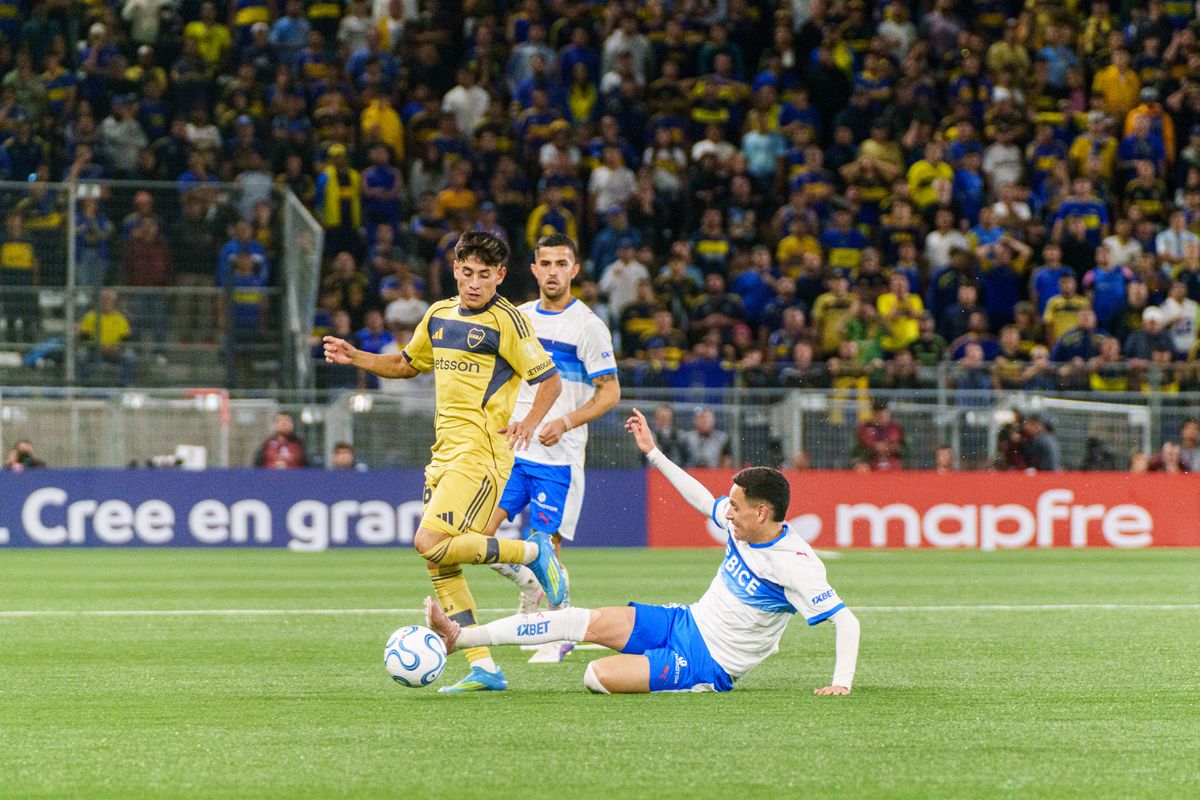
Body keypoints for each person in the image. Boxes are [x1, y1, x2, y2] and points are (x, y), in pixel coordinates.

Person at [425, 407, 861, 695]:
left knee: (595, 676)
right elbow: (697, 496)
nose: (726, 511)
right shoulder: (742, 526)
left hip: (705, 663)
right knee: (582, 621)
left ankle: (669, 675)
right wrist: (653, 452)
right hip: (684, 620)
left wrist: (840, 683)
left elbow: (847, 621)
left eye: (734, 505)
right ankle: (460, 638)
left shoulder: (795, 564)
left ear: (762, 512)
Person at [322, 231, 567, 693]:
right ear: (455, 269)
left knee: (429, 541)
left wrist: (530, 422)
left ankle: (534, 553)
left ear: (500, 276)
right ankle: (484, 667)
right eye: (467, 272)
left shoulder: (508, 322)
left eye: (485, 275)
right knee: (441, 564)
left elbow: (549, 381)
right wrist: (356, 355)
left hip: (482, 452)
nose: (474, 283)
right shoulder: (436, 314)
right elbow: (406, 365)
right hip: (443, 454)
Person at [480, 234, 621, 663]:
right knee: (476, 540)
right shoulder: (518, 318)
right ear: (535, 269)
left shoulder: (589, 326)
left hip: (558, 460)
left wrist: (565, 421)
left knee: (546, 547)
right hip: (511, 453)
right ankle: (529, 587)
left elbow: (610, 392)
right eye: (546, 263)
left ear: (575, 269)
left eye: (563, 263)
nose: (554, 271)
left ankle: (558, 632)